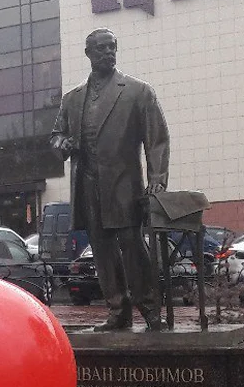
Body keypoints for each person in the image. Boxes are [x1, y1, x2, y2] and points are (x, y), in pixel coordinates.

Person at [51, 27, 170, 331]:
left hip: (124, 184)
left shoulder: (137, 91)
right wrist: (62, 144)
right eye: (101, 48)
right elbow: (57, 135)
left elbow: (156, 138)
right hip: (87, 184)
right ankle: (118, 310)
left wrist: (157, 178)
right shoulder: (72, 99)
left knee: (132, 246)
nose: (108, 53)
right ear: (88, 53)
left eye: (112, 47)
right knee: (102, 250)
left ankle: (149, 308)